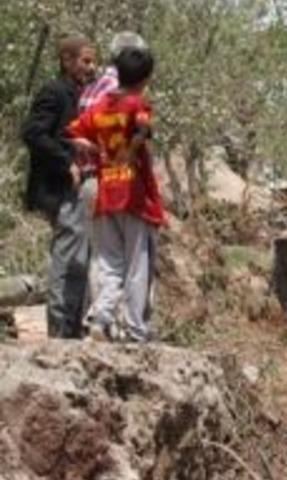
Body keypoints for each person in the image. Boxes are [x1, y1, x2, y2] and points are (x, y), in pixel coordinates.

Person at [67, 47, 165, 342]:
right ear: (145, 78)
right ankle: (135, 330)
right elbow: (144, 128)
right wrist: (132, 149)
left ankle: (100, 317)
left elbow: (72, 133)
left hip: (106, 191)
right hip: (134, 194)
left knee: (109, 263)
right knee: (137, 263)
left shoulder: (98, 106)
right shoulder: (138, 103)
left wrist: (94, 148)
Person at [21, 34, 97, 339]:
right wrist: (66, 157)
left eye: (92, 61)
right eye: (85, 60)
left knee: (81, 259)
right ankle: (59, 331)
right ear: (66, 60)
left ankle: (73, 328)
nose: (91, 67)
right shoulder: (54, 91)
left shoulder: (83, 92)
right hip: (59, 187)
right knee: (67, 259)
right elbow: (32, 133)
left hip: (78, 189)